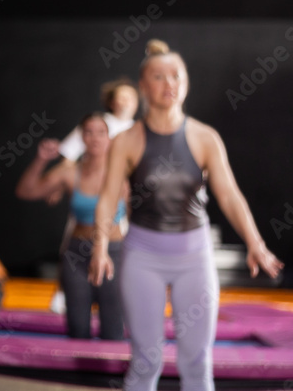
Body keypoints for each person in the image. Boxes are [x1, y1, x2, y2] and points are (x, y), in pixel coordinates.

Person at [89, 40, 282, 391]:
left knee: (196, 362)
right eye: (159, 77)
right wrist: (100, 246)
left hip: (194, 256)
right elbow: (107, 200)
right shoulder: (127, 141)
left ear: (186, 83)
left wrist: (256, 242)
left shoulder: (205, 138)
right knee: (146, 360)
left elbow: (229, 195)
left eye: (176, 76)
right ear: (143, 87)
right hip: (142, 255)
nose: (169, 84)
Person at [16, 113, 126, 339]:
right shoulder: (69, 172)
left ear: (110, 139)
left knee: (113, 328)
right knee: (77, 327)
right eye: (89, 132)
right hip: (77, 253)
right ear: (81, 138)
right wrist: (42, 159)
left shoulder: (124, 174)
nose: (95, 138)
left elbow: (142, 218)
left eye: (101, 133)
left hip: (114, 252)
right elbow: (26, 191)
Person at [57, 77, 139, 162]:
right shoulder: (95, 123)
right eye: (122, 97)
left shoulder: (140, 130)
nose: (127, 101)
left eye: (131, 97)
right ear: (111, 102)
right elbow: (68, 153)